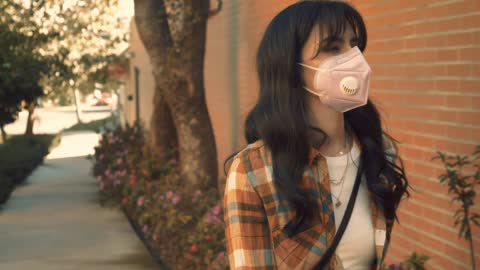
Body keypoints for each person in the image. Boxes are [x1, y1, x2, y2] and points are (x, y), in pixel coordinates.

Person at [222, 1, 411, 269]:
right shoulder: (253, 171)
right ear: (291, 67)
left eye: (354, 45)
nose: (354, 58)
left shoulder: (379, 149)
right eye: (332, 48)